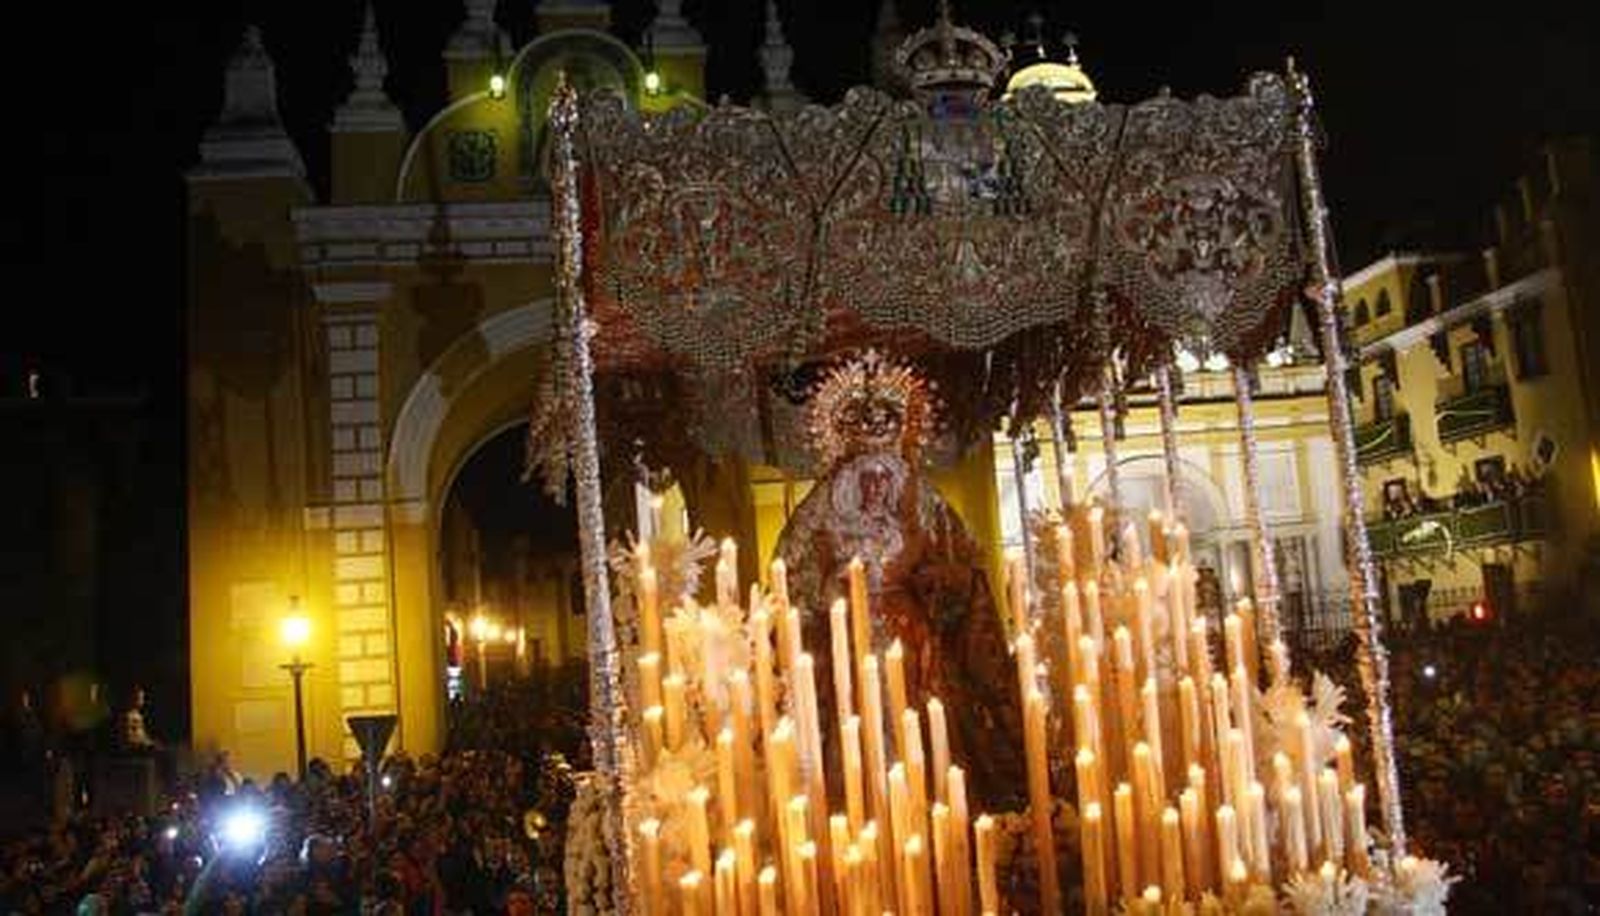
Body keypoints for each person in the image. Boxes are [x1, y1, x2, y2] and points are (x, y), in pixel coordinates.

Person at [776, 351, 1024, 807]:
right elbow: (790, 579)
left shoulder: (922, 501)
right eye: (867, 478)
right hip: (845, 639)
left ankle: (931, 805)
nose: (876, 487)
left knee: (925, 719)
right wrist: (833, 594)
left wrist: (935, 582)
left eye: (882, 478)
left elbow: (964, 565)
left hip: (913, 637)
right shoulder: (821, 510)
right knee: (854, 721)